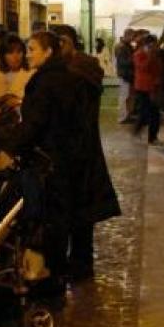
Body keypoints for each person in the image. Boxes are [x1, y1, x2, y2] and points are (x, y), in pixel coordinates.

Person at [0, 31, 88, 288]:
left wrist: (14, 142)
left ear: (48, 52)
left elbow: (35, 124)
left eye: (32, 49)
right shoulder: (66, 77)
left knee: (49, 219)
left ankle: (49, 276)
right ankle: (56, 272)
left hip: (47, 162)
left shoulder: (45, 82)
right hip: (63, 158)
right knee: (58, 218)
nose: (27, 54)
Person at [51, 25, 120, 280]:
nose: (60, 47)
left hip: (78, 152)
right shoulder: (75, 72)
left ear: (73, 43)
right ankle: (80, 262)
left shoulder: (77, 74)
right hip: (81, 151)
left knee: (78, 211)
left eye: (64, 42)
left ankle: (79, 263)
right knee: (79, 210)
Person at [0, 35, 33, 174]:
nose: (16, 56)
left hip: (18, 130)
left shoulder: (31, 73)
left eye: (19, 51)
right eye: (10, 52)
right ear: (3, 55)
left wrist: (19, 102)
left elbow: (35, 101)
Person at [133, 33, 164, 145]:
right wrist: (150, 56)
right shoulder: (138, 54)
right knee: (145, 112)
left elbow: (158, 68)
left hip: (153, 87)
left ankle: (152, 137)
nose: (154, 46)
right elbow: (143, 68)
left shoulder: (155, 54)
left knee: (155, 113)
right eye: (152, 44)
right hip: (143, 87)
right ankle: (138, 130)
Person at [114, 28, 136, 123]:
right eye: (132, 36)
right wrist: (133, 59)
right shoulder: (122, 47)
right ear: (128, 35)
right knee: (124, 96)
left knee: (127, 96)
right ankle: (122, 117)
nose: (133, 39)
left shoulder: (126, 46)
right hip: (125, 74)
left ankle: (126, 115)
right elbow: (122, 62)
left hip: (127, 74)